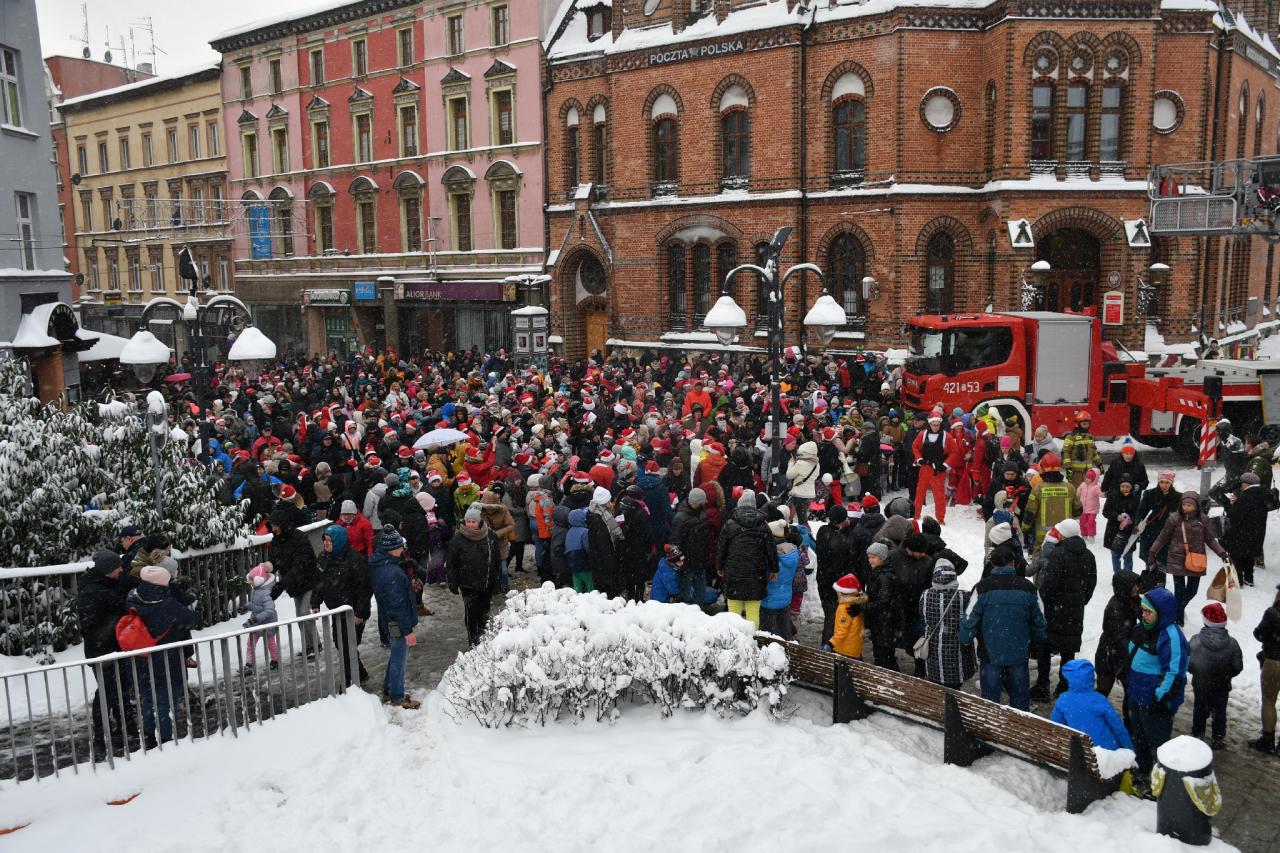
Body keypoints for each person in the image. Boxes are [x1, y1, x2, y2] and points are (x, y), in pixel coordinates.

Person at [959, 544, 1046, 711]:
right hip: (1019, 651)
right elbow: (1040, 620)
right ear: (1013, 564)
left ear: (992, 564)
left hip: (990, 653)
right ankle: (1018, 726)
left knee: (990, 701)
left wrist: (965, 640)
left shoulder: (982, 588)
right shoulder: (1029, 588)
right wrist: (1037, 641)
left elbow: (969, 619)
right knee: (1019, 698)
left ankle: (991, 728)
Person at [126, 565, 197, 747]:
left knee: (149, 699)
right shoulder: (167, 604)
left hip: (143, 657)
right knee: (166, 700)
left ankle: (150, 735)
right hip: (167, 659)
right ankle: (165, 739)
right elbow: (192, 619)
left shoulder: (133, 597)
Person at [78, 549, 138, 757]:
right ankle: (101, 735)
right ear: (106, 571)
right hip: (102, 650)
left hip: (111, 647)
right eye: (117, 567)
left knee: (120, 687)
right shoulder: (95, 592)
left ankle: (125, 726)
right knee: (107, 691)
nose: (122, 569)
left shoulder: (104, 584)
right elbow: (114, 609)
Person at [1125, 587, 1188, 785]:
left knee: (1157, 743)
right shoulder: (1142, 628)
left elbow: (1174, 672)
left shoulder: (1171, 636)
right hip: (1136, 694)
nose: (1143, 615)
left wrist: (1159, 698)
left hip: (1155, 701)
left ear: (1162, 613)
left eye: (1148, 612)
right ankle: (1143, 771)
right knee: (1139, 736)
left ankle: (1161, 781)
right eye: (1143, 610)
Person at [1032, 517, 1096, 700]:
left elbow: (1048, 584)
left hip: (1054, 610)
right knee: (1069, 650)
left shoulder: (1057, 554)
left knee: (1045, 648)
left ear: (1064, 534)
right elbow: (1091, 583)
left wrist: (1048, 602)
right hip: (1074, 611)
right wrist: (1079, 601)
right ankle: (1064, 686)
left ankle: (1043, 686)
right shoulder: (1088, 555)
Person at [1148, 491, 1229, 626]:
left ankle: (1176, 608)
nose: (1186, 507)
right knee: (1179, 591)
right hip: (1177, 559)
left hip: (1196, 560)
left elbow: (1210, 539)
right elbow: (1163, 536)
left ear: (1196, 506)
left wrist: (1221, 553)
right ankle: (1178, 618)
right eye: (1184, 504)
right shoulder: (1174, 519)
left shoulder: (1203, 520)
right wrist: (1153, 551)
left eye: (1190, 505)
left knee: (1192, 590)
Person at [369, 525, 420, 709]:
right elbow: (397, 605)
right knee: (400, 657)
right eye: (399, 546)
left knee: (395, 655)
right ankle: (397, 695)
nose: (402, 549)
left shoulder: (380, 565)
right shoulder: (391, 572)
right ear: (390, 549)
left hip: (388, 618)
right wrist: (408, 630)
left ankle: (389, 688)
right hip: (396, 622)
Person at [314, 524, 372, 685]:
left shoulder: (355, 560)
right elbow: (319, 581)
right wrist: (315, 602)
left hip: (352, 612)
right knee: (341, 644)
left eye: (329, 541)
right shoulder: (323, 558)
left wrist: (360, 613)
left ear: (338, 542)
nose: (326, 544)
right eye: (325, 540)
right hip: (337, 610)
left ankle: (349, 682)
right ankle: (360, 673)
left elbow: (364, 588)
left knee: (348, 646)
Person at [716, 489, 776, 629]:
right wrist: (774, 569)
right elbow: (771, 550)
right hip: (756, 574)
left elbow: (721, 547)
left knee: (734, 609)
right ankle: (753, 640)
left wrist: (719, 566)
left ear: (739, 504)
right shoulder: (763, 525)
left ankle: (733, 638)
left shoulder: (730, 524)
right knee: (753, 610)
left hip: (734, 571)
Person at [1188, 602, 1244, 749]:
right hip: (1222, 685)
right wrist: (1227, 675)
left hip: (1200, 684)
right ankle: (1218, 737)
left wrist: (1197, 672)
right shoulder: (1232, 644)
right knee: (1220, 710)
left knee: (1199, 708)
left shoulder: (1196, 640)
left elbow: (1188, 663)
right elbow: (1238, 666)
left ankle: (1198, 734)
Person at [267, 508, 320, 655]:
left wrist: (283, 583)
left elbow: (300, 564)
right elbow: (275, 559)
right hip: (294, 584)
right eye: (272, 525)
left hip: (308, 580)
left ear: (282, 524)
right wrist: (268, 569)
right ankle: (310, 646)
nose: (274, 529)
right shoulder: (277, 540)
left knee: (304, 613)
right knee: (300, 617)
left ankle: (315, 645)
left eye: (276, 525)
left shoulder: (298, 538)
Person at [1051, 659, 1134, 751]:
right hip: (1107, 751)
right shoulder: (1099, 700)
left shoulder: (1063, 700)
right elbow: (1118, 728)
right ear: (1091, 678)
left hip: (1080, 753)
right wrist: (1129, 750)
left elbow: (1057, 727)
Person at [919, 559, 976, 690]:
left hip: (934, 649)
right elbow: (970, 620)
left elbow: (922, 615)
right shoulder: (964, 596)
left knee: (937, 684)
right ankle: (952, 705)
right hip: (957, 652)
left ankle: (942, 706)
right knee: (955, 687)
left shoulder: (926, 595)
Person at [1095, 569, 1142, 698]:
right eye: (1134, 585)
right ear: (1125, 587)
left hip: (1120, 654)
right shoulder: (1115, 608)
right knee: (1102, 694)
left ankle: (1128, 717)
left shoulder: (1132, 600)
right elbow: (1118, 639)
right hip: (1109, 656)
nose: (1138, 588)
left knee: (1130, 692)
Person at [1021, 452, 1080, 555]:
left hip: (1043, 538)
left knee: (1041, 563)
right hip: (1065, 537)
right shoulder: (1070, 487)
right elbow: (1078, 511)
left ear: (1042, 469)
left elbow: (1029, 513)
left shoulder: (1037, 489)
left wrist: (1024, 529)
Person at [816, 504, 856, 642]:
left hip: (823, 581)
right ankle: (837, 646)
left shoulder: (822, 531)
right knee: (840, 617)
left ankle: (826, 645)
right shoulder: (845, 539)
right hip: (839, 584)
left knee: (830, 616)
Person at [1222, 472, 1268, 587]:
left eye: (1242, 483)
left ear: (1246, 484)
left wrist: (1228, 504)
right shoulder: (1261, 494)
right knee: (1249, 556)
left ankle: (1237, 581)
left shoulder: (1247, 496)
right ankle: (1249, 578)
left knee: (1236, 556)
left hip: (1241, 533)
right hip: (1256, 533)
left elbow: (1234, 515)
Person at [669, 487, 710, 606]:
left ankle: (699, 613)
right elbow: (674, 544)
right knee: (685, 595)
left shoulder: (701, 512)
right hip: (687, 564)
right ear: (696, 502)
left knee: (700, 593)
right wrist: (681, 564)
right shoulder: (680, 518)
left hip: (700, 561)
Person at [1136, 471, 1180, 582]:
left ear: (1171, 483)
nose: (1164, 485)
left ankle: (1160, 588)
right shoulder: (1149, 494)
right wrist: (1138, 523)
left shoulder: (1178, 497)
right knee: (1150, 563)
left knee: (1162, 565)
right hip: (1150, 533)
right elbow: (1140, 511)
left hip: (1166, 536)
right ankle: (1149, 588)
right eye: (1162, 482)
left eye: (1167, 482)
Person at [1251, 584, 1280, 753]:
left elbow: (1259, 633)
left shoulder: (1273, 613)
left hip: (1274, 662)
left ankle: (1267, 739)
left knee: (1269, 700)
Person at [761, 518, 801, 639]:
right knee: (783, 630)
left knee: (767, 634)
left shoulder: (771, 555)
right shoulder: (793, 551)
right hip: (786, 598)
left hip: (769, 600)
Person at [862, 542, 899, 669]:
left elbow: (883, 602)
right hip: (880, 620)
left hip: (885, 621)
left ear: (882, 558)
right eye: (869, 557)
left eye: (873, 557)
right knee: (880, 652)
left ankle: (891, 679)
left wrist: (863, 608)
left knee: (885, 654)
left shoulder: (884, 576)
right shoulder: (877, 572)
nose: (870, 560)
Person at [242, 562, 280, 673]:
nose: (251, 584)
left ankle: (275, 661)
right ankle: (249, 664)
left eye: (252, 581)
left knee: (271, 644)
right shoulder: (256, 590)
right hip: (257, 621)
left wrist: (255, 619)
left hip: (268, 622)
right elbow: (255, 604)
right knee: (250, 644)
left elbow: (269, 610)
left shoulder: (266, 593)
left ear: (259, 580)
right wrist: (245, 607)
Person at [912, 414, 949, 524]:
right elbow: (915, 446)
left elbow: (954, 452)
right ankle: (916, 514)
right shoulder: (922, 434)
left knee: (939, 495)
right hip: (925, 468)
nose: (935, 427)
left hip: (938, 470)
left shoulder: (946, 436)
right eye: (933, 425)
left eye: (937, 425)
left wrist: (945, 465)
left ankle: (940, 518)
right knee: (919, 493)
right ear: (930, 424)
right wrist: (919, 459)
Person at [1101, 476, 1141, 573]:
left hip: (1129, 531)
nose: (1125, 489)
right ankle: (1117, 576)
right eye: (1123, 486)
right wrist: (1116, 517)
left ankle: (1128, 576)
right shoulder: (1112, 497)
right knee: (1115, 555)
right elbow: (1105, 512)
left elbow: (1139, 514)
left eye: (1127, 487)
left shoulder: (1135, 498)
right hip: (1114, 530)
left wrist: (1133, 521)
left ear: (1131, 488)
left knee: (1127, 555)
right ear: (1119, 487)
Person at [829, 573, 868, 658]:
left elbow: (843, 629)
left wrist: (832, 642)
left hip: (844, 649)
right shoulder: (858, 604)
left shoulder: (844, 607)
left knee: (840, 670)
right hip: (854, 647)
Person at [1060, 412, 1103, 486]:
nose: (1086, 426)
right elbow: (1065, 453)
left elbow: (1094, 453)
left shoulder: (1090, 437)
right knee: (1077, 493)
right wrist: (1068, 469)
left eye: (1088, 424)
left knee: (1087, 493)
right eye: (1084, 424)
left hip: (1089, 473)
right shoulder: (1071, 437)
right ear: (1078, 424)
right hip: (1075, 473)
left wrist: (1099, 464)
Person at [786, 441, 821, 523]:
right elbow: (816, 476)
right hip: (810, 494)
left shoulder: (800, 463)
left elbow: (789, 475)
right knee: (802, 516)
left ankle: (805, 533)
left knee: (802, 519)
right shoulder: (817, 464)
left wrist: (790, 464)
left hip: (799, 494)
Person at [565, 507, 592, 592]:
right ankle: (593, 596)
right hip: (582, 560)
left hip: (571, 561)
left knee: (577, 582)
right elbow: (587, 547)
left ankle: (577, 598)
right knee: (589, 581)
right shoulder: (585, 531)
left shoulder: (569, 531)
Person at [1077, 468, 1102, 544]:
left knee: (1090, 522)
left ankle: (1091, 535)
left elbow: (1100, 493)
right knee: (1082, 522)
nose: (1087, 480)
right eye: (1086, 477)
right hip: (1083, 509)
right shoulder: (1082, 485)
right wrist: (1077, 493)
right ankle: (1084, 535)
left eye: (1090, 478)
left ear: (1095, 479)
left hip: (1093, 509)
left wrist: (1103, 494)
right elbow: (1078, 491)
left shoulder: (1096, 487)